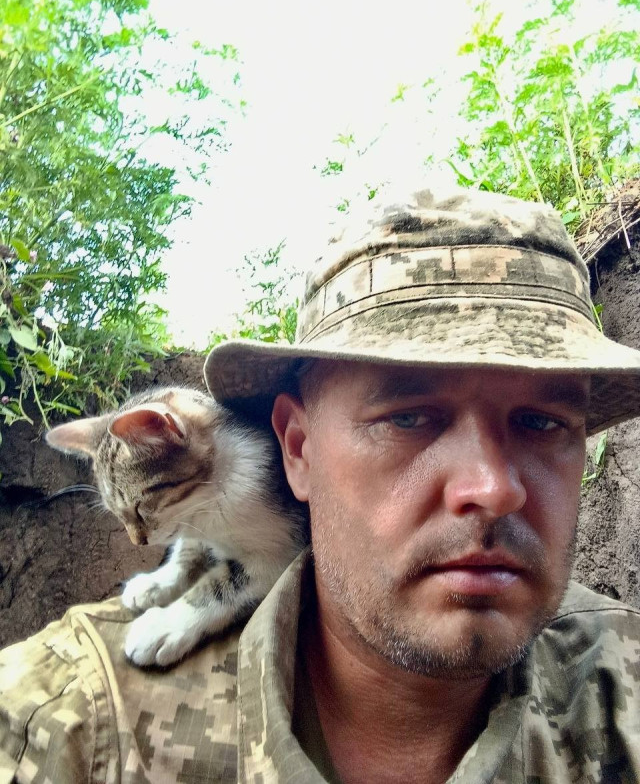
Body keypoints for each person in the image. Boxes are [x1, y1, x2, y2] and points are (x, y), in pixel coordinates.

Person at [1, 186, 640, 783]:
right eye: (408, 418)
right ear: (298, 451)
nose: (493, 488)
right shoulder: (73, 718)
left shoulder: (624, 683)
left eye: (542, 421)